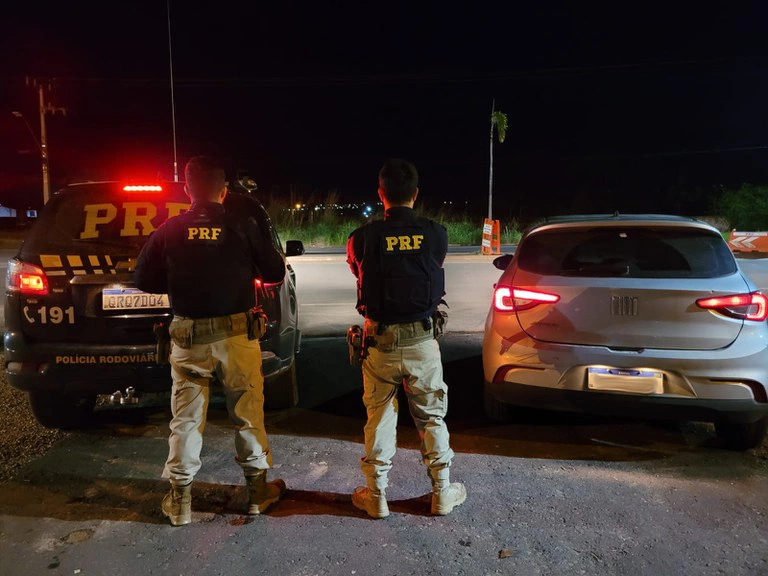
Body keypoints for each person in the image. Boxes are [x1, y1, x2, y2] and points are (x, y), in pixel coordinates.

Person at [134, 156, 287, 526]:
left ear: (187, 190)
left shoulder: (169, 229)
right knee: (247, 416)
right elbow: (276, 272)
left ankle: (180, 501)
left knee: (185, 421)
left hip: (188, 340)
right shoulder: (242, 224)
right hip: (236, 337)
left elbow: (143, 280)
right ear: (224, 191)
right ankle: (256, 494)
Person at [346, 158, 466, 518]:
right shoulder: (436, 233)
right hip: (421, 340)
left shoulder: (363, 238)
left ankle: (376, 494)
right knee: (431, 417)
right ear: (415, 193)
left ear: (381, 194)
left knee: (379, 416)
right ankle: (442, 493)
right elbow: (435, 263)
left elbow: (357, 268)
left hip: (379, 342)